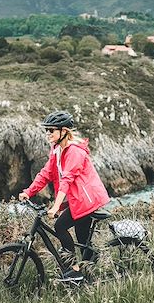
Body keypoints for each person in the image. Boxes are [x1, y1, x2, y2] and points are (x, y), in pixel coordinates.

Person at [18, 110, 110, 282]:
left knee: (60, 226)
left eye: (51, 130)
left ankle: (74, 269)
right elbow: (46, 173)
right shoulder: (57, 150)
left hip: (86, 200)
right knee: (83, 239)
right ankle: (86, 272)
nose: (48, 133)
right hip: (78, 200)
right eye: (47, 130)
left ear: (64, 131)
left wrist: (55, 207)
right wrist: (28, 192)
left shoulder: (75, 151)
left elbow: (67, 180)